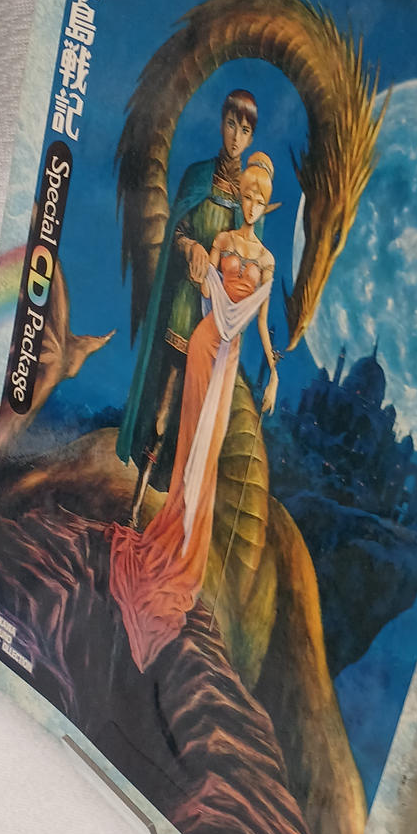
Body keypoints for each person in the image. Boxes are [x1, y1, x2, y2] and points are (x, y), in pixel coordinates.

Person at [108, 152, 281, 672]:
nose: (251, 205)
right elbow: (206, 289)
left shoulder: (267, 260)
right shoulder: (222, 242)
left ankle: (186, 549)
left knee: (210, 453)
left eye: (259, 199)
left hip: (230, 357)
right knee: (189, 444)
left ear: (266, 205)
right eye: (246, 196)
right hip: (206, 343)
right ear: (241, 197)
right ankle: (172, 534)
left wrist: (274, 374)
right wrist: (196, 260)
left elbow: (262, 323)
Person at [117, 89, 260, 515]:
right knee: (163, 410)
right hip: (184, 307)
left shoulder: (250, 197)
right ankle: (135, 506)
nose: (235, 137)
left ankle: (174, 516)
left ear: (251, 138)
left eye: (245, 130)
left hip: (218, 320)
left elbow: (251, 265)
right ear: (221, 123)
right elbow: (177, 231)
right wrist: (191, 248)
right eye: (231, 124)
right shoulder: (198, 175)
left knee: (199, 419)